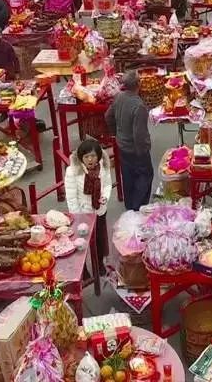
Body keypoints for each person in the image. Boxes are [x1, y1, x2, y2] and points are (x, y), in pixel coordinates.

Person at [105, 70, 152, 211]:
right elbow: (139, 134)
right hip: (135, 149)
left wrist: (115, 134)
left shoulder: (119, 97)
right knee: (145, 175)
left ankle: (129, 208)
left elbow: (108, 116)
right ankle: (137, 208)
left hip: (122, 147)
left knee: (128, 177)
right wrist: (142, 152)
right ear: (138, 84)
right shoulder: (139, 106)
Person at [64, 138, 112, 271]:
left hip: (99, 210)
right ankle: (82, 269)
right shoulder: (72, 171)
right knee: (81, 242)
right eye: (86, 157)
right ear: (81, 158)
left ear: (98, 156)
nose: (90, 160)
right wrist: (78, 217)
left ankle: (99, 265)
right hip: (82, 213)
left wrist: (105, 197)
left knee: (99, 240)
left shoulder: (103, 167)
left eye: (93, 156)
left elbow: (107, 185)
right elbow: (72, 198)